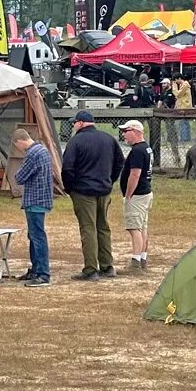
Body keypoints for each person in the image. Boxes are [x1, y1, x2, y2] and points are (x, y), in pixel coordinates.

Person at [62, 110, 124, 282]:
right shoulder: (108, 138)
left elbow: (67, 168)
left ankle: (90, 269)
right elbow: (120, 162)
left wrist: (70, 188)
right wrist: (110, 181)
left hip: (83, 191)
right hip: (104, 190)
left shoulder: (75, 141)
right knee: (103, 227)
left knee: (88, 229)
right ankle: (107, 266)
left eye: (75, 123)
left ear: (81, 123)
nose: (73, 125)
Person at [11, 129, 53, 287]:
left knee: (37, 236)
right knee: (34, 235)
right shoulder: (42, 149)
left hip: (35, 200)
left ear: (20, 141)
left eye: (17, 146)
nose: (19, 149)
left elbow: (20, 177)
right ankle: (36, 269)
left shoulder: (32, 153)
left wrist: (18, 174)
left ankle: (43, 273)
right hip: (42, 199)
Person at [117, 119, 153, 272]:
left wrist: (128, 194)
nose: (124, 134)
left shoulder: (137, 151)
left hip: (137, 195)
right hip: (146, 192)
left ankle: (136, 262)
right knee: (142, 227)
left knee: (134, 228)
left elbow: (135, 174)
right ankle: (143, 258)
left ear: (136, 132)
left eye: (127, 131)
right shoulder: (146, 148)